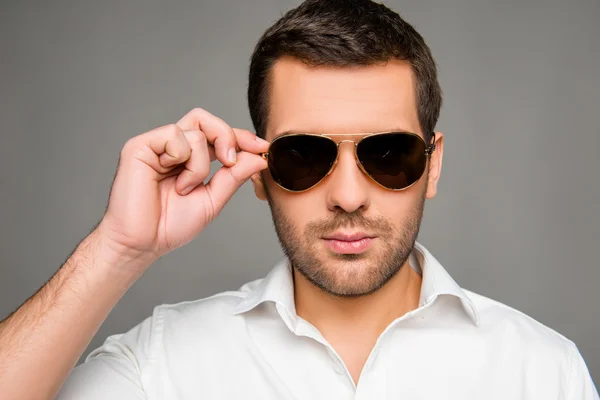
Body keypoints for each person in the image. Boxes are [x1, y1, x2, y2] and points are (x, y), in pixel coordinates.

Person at [0, 0, 597, 398]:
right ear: (258, 169)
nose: (346, 196)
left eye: (388, 154)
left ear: (433, 163)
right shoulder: (163, 367)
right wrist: (118, 249)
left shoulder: (543, 373)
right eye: (304, 156)